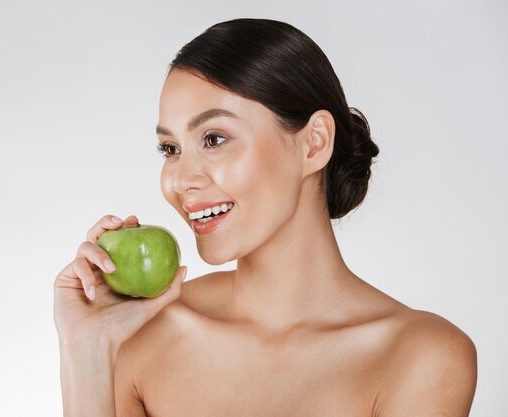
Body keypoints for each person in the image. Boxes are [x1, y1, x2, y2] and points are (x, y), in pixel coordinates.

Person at [53, 18, 477, 417]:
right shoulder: (141, 336)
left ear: (314, 144)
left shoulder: (421, 356)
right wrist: (86, 349)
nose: (180, 181)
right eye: (171, 149)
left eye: (214, 138)